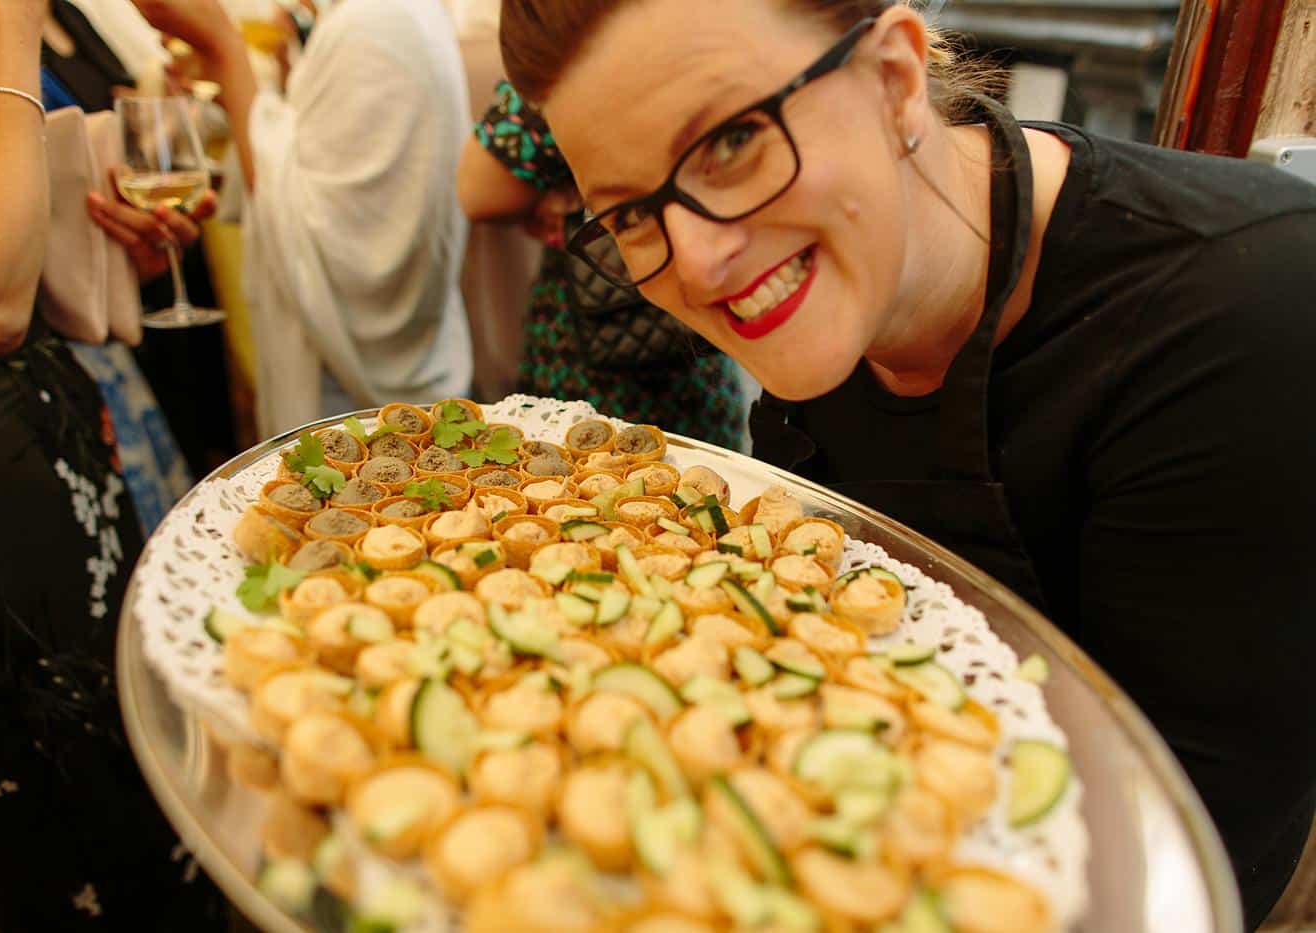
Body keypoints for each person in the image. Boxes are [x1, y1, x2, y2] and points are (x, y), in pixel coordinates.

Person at [498, 0, 1316, 926]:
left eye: (730, 144)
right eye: (633, 215)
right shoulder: (832, 283)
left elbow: (1185, 874)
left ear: (893, 79)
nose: (700, 260)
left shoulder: (1251, 316)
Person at [0, 0, 223, 927]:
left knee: (136, 792)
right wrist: (12, 18)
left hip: (31, 465)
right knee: (88, 839)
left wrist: (105, 232)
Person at [133, 0, 474, 436]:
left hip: (352, 399)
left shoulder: (372, 21)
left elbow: (330, 233)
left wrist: (224, 48)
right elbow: (314, 157)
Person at [459, 79, 746, 449]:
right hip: (635, 323)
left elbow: (479, 191)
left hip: (599, 334)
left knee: (586, 467)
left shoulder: (569, 58)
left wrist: (577, 198)